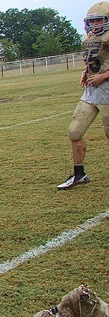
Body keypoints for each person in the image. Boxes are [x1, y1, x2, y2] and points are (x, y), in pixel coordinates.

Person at [60, 2, 109, 190]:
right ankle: (79, 174)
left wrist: (104, 75)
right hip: (90, 91)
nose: (95, 24)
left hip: (107, 90)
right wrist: (85, 71)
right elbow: (96, 59)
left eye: (99, 20)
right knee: (75, 132)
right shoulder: (90, 38)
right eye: (92, 21)